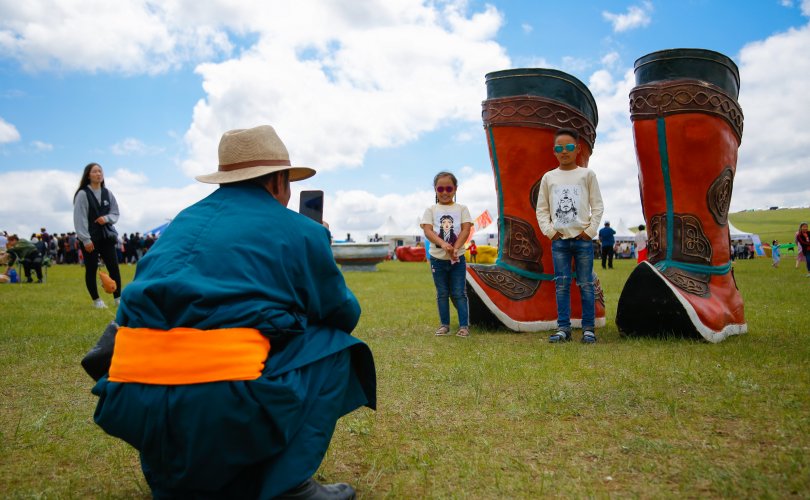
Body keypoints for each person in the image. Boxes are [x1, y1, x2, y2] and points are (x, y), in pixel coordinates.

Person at [89, 125, 376, 499]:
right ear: (277, 182)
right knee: (337, 347)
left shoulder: (181, 223)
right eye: (287, 182)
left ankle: (176, 480)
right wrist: (313, 245)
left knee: (183, 360)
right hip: (221, 398)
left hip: (130, 398)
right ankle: (289, 485)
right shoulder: (299, 231)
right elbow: (342, 313)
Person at [536, 128, 604, 344]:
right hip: (560, 241)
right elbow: (542, 209)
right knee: (562, 284)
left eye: (569, 147)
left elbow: (598, 206)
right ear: (554, 152)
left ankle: (588, 329)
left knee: (586, 284)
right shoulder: (549, 177)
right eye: (559, 148)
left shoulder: (587, 175)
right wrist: (551, 232)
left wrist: (589, 232)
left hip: (583, 240)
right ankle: (563, 328)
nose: (564, 151)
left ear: (578, 149)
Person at [421, 171, 473, 338]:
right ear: (435, 190)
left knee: (459, 292)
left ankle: (464, 326)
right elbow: (428, 231)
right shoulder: (431, 209)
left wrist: (455, 248)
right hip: (437, 260)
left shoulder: (462, 209)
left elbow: (466, 229)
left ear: (455, 189)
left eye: (449, 188)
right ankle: (445, 325)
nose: (444, 192)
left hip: (458, 259)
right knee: (442, 293)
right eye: (440, 188)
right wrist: (444, 244)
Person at [73, 163, 123, 309]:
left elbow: (115, 213)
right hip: (90, 238)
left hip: (106, 237)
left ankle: (118, 298)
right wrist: (85, 239)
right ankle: (97, 300)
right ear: (88, 175)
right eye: (95, 172)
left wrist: (106, 218)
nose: (98, 174)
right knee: (91, 269)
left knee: (114, 268)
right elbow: (79, 218)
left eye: (100, 171)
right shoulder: (82, 194)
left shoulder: (108, 193)